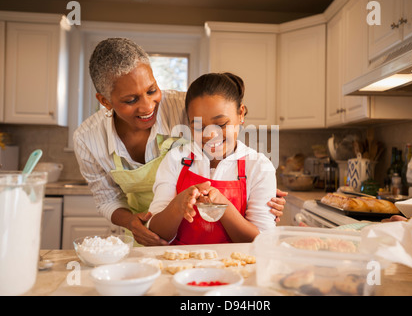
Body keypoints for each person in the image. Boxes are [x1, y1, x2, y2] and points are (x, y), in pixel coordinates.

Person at [73, 38, 287, 246]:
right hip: (147, 235)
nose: (148, 106)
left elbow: (259, 236)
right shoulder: (88, 138)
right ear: (105, 101)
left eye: (152, 90)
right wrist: (135, 220)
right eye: (131, 100)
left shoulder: (185, 106)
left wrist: (261, 192)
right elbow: (106, 199)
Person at [148, 72, 277, 244]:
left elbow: (262, 242)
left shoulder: (259, 167)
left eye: (221, 124)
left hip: (236, 269)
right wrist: (178, 205)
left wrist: (223, 207)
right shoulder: (176, 159)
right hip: (182, 267)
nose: (211, 135)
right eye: (199, 127)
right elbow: (156, 234)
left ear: (241, 113)